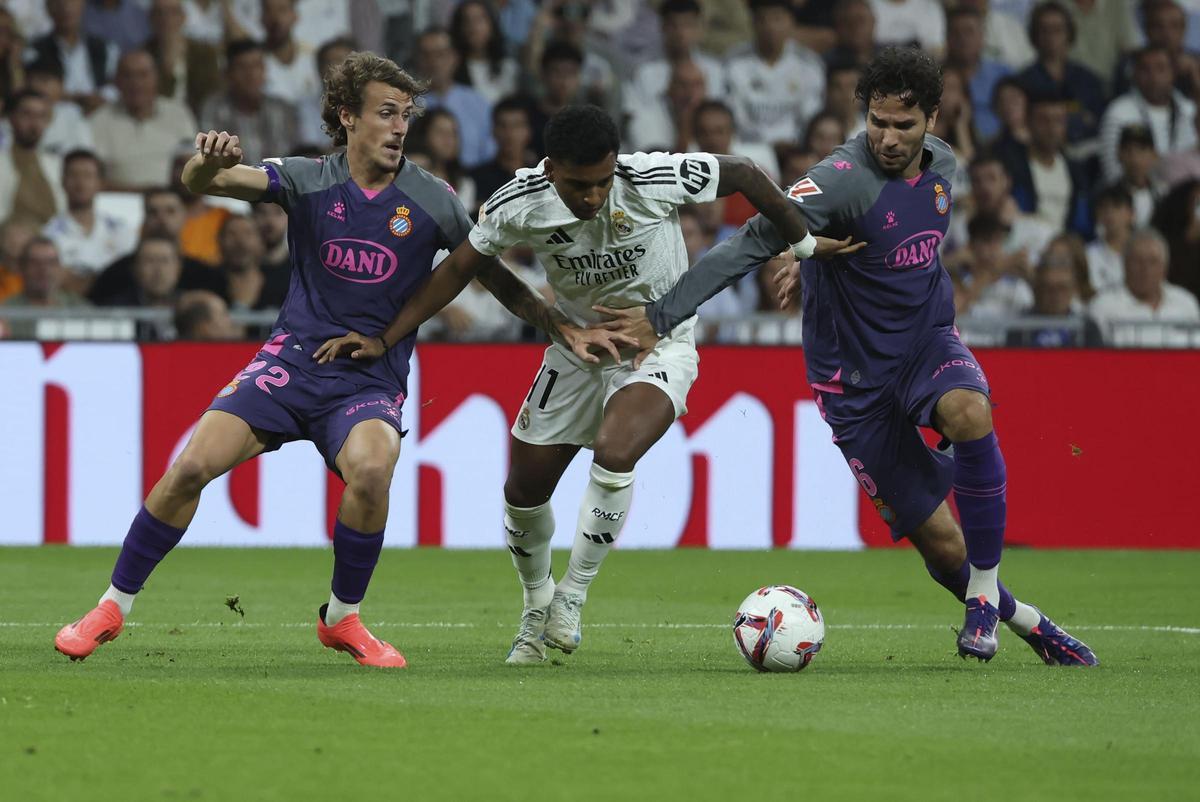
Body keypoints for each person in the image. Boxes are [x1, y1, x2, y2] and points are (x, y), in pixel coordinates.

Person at [53, 51, 565, 668]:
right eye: (385, 112)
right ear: (347, 117)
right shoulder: (306, 178)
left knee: (373, 473)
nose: (400, 126)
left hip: (367, 378)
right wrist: (203, 164)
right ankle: (110, 607)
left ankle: (343, 618)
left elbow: (489, 275)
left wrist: (554, 322)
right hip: (289, 364)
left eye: (405, 114)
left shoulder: (432, 199)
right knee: (190, 465)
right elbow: (210, 183)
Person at [594, 48, 1099, 667]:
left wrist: (817, 261)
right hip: (852, 384)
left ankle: (983, 602)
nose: (888, 138)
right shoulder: (837, 179)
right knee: (942, 548)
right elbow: (750, 243)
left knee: (970, 413)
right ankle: (1030, 624)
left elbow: (903, 249)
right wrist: (662, 315)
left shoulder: (945, 167)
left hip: (924, 344)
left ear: (933, 120)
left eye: (903, 126)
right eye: (877, 122)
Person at [318, 104, 845, 666]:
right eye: (577, 185)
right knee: (523, 493)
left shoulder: (651, 179)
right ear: (550, 169)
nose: (593, 197)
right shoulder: (518, 202)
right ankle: (536, 606)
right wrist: (388, 335)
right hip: (577, 351)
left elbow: (741, 172)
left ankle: (571, 595)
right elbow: (459, 268)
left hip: (658, 343)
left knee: (616, 452)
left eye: (601, 182)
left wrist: (805, 246)